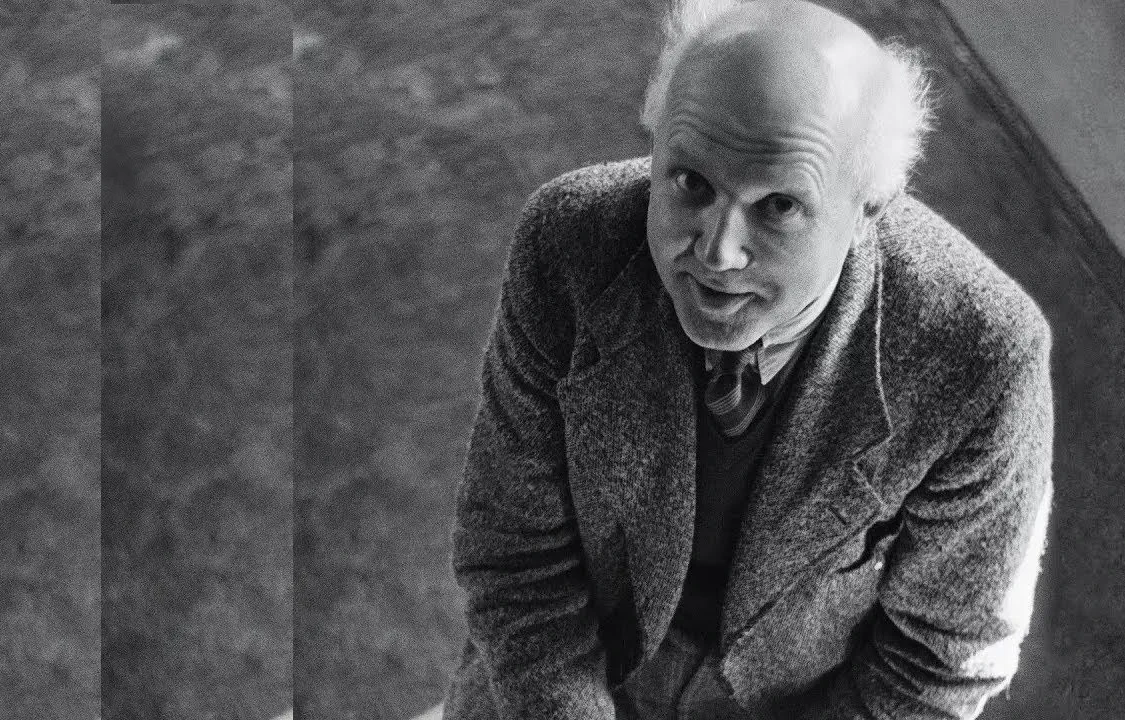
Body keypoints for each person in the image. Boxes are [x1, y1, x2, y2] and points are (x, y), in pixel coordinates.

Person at [444, 0, 1054, 718]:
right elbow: (515, 555)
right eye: (691, 183)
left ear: (871, 205)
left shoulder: (983, 358)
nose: (717, 252)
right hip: (561, 667)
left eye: (778, 207)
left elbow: (940, 661)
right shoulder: (568, 242)